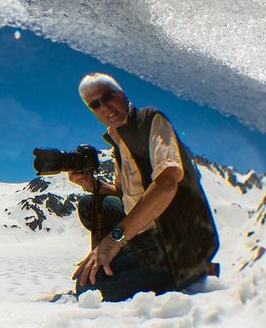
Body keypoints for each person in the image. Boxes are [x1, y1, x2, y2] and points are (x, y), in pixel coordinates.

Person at [68, 73, 219, 302]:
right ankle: (112, 263)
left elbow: (167, 182)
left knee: (89, 288)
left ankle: (192, 270)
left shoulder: (150, 120)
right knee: (92, 204)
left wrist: (113, 241)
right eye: (95, 105)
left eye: (108, 96)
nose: (104, 107)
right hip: (147, 230)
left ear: (122, 94)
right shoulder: (118, 140)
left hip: (178, 235)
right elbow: (123, 193)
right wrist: (93, 185)